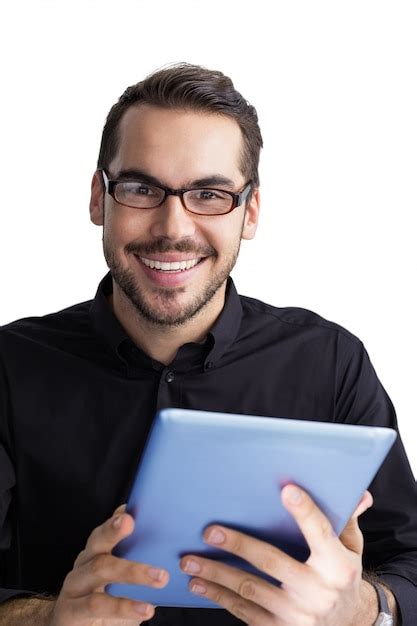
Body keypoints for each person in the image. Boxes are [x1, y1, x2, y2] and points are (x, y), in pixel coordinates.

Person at [0, 62, 416, 626]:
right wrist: (45, 620)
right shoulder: (9, 365)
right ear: (99, 198)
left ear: (251, 212)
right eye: (141, 188)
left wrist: (363, 609)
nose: (174, 226)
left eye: (210, 193)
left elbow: (409, 563)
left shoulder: (331, 363)